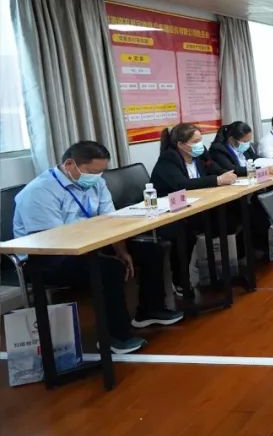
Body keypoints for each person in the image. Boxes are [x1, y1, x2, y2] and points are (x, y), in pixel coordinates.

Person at [12, 142, 181, 354]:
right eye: (92, 172)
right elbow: (53, 240)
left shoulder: (96, 183)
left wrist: (121, 251)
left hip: (90, 244)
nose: (97, 177)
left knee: (151, 251)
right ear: (70, 164)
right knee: (108, 270)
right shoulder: (39, 192)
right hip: (47, 257)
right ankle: (114, 337)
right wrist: (103, 252)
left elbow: (110, 220)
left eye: (101, 172)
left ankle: (149, 310)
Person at [151, 123, 238, 293]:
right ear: (181, 144)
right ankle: (181, 280)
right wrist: (217, 180)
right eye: (195, 141)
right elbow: (181, 184)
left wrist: (230, 174)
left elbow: (218, 171)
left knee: (228, 218)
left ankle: (220, 271)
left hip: (195, 208)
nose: (200, 144)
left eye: (200, 140)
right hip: (169, 214)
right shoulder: (169, 159)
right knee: (185, 234)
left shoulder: (199, 155)